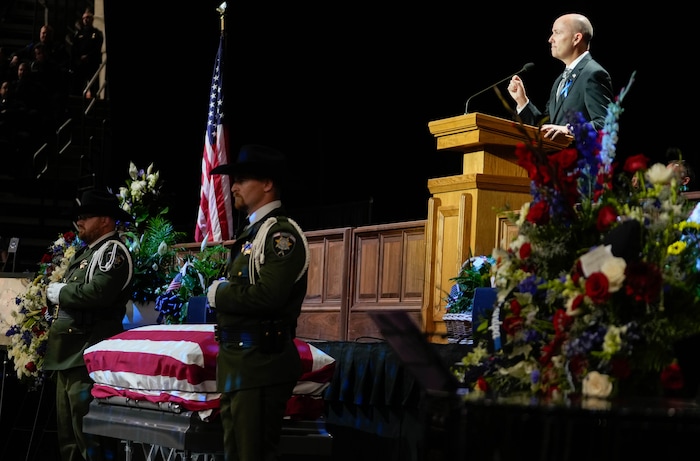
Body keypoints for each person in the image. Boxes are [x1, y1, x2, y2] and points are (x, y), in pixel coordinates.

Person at [205, 144, 310, 461]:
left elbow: (269, 296)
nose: (233, 186)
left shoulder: (280, 234)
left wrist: (218, 293)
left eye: (241, 179)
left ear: (267, 184)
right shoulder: (252, 234)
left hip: (262, 364)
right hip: (240, 364)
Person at [43, 189, 134, 461]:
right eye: (78, 217)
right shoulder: (87, 254)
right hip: (67, 354)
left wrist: (61, 292)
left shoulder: (113, 252)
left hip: (87, 353)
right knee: (68, 438)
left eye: (86, 216)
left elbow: (98, 294)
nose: (79, 222)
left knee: (89, 438)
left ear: (106, 220)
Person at [507, 13, 614, 140]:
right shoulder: (560, 80)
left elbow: (606, 124)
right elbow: (545, 127)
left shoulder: (593, 74)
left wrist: (570, 129)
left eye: (557, 32)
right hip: (554, 158)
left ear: (576, 38)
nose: (551, 39)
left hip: (579, 158)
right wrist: (522, 101)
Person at [70, 9, 104, 97]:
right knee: (77, 87)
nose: (85, 19)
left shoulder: (97, 33)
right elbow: (74, 48)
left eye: (88, 17)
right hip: (80, 65)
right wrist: (78, 59)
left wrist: (88, 56)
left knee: (93, 88)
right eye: (84, 18)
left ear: (92, 19)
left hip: (92, 64)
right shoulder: (78, 34)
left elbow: (97, 48)